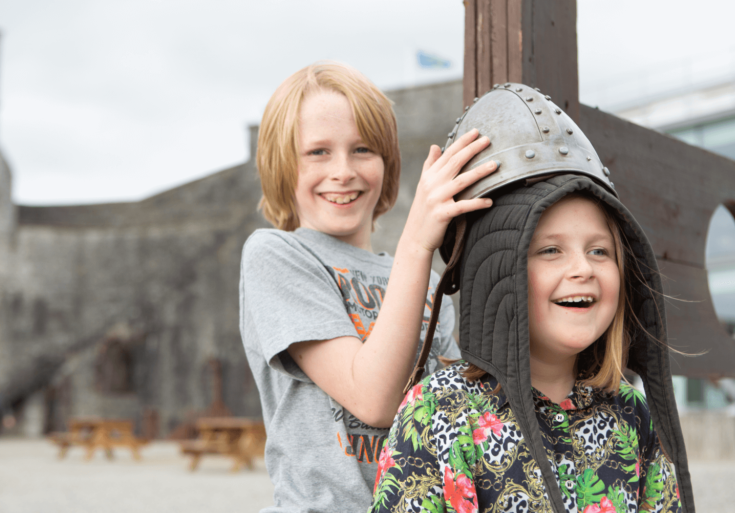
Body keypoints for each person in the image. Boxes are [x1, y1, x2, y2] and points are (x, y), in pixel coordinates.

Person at [369, 83, 694, 513]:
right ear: (498, 272)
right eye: (549, 250)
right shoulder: (439, 415)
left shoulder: (632, 416)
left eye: (600, 251)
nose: (583, 269)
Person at [239, 61, 498, 512]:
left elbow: (453, 415)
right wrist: (418, 242)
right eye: (318, 152)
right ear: (282, 164)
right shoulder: (275, 255)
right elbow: (373, 400)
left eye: (362, 149)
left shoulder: (428, 282)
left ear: (387, 163)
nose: (343, 171)